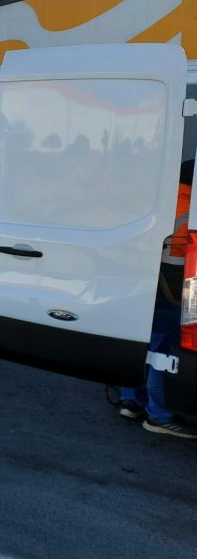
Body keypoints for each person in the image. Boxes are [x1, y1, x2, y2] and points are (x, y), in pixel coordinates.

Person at [118, 159, 197, 438]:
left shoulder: (157, 198)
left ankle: (131, 400)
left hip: (142, 276)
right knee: (162, 350)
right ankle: (159, 415)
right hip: (173, 283)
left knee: (140, 341)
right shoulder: (192, 207)